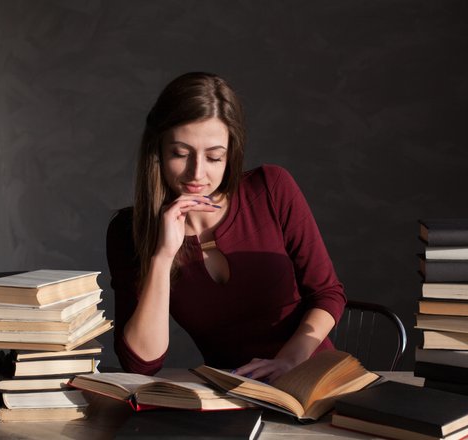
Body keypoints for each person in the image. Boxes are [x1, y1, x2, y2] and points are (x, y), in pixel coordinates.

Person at [107, 72, 346, 382]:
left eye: (214, 157)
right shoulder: (129, 232)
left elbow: (328, 294)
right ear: (158, 151)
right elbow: (141, 365)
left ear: (231, 153)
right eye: (180, 154)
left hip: (311, 378)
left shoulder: (271, 188)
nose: (197, 173)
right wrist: (163, 256)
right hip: (235, 393)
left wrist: (288, 359)